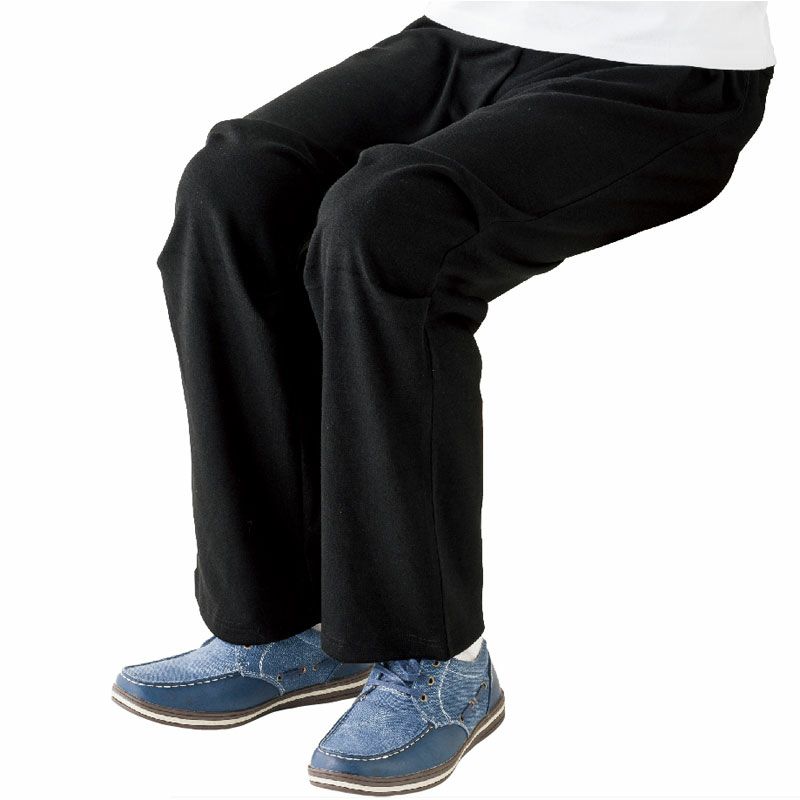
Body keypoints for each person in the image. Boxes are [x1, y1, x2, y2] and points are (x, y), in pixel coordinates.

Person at [112, 1, 775, 794]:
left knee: (388, 221)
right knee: (231, 190)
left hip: (665, 69)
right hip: (470, 35)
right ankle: (283, 621)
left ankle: (440, 659)